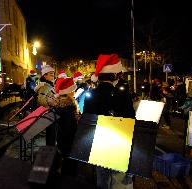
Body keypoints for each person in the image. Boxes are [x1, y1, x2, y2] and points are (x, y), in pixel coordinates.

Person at [84, 54, 135, 189]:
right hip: (119, 144)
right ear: (114, 76)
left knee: (102, 179)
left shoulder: (91, 95)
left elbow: (87, 121)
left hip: (98, 144)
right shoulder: (123, 95)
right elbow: (130, 120)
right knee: (119, 181)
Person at [54, 78, 80, 175]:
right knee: (70, 165)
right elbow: (70, 127)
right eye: (73, 90)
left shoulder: (58, 104)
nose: (74, 92)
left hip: (61, 139)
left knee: (65, 161)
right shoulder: (69, 107)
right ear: (68, 92)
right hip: (69, 141)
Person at [34, 65, 56, 146]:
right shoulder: (45, 86)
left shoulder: (49, 85)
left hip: (49, 113)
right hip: (48, 113)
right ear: (45, 75)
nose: (53, 76)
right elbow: (41, 101)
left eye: (53, 74)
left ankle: (50, 148)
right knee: (51, 134)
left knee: (51, 134)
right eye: (50, 74)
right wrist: (52, 103)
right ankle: (50, 149)